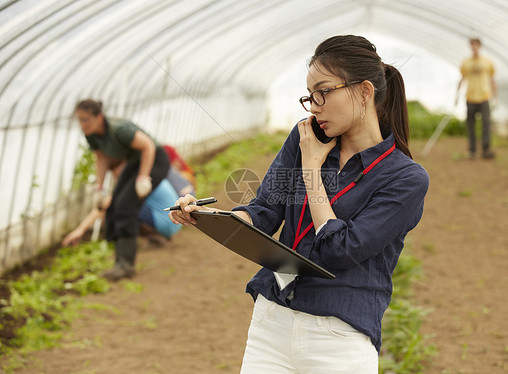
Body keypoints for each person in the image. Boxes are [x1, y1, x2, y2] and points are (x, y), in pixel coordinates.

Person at [170, 35, 429, 372]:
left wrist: (311, 169)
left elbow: (341, 249)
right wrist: (209, 217)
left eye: (323, 91)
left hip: (339, 336)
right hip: (272, 323)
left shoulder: (404, 178)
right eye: (309, 96)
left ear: (365, 91)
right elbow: (264, 211)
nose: (314, 105)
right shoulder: (304, 136)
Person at [75, 99, 170, 281]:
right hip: (134, 162)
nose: (82, 124)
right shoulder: (92, 135)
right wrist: (100, 187)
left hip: (154, 160)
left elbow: (148, 146)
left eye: (85, 119)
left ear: (99, 117)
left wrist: (143, 177)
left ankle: (126, 266)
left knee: (127, 207)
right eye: (79, 120)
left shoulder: (119, 129)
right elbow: (101, 158)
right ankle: (119, 262)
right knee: (114, 206)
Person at [62, 166, 193, 247]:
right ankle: (155, 236)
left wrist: (80, 229)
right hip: (175, 222)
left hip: (168, 222)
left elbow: (106, 205)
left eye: (114, 171)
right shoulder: (145, 175)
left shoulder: (135, 180)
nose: (114, 175)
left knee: (121, 207)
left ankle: (138, 240)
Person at [455, 37, 497, 159]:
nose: (474, 48)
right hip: (470, 97)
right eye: (472, 46)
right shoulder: (466, 63)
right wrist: (457, 96)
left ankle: (486, 150)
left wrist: (495, 96)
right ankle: (472, 151)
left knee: (486, 124)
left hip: (484, 97)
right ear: (470, 47)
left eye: (476, 45)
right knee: (471, 125)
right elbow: (462, 78)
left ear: (480, 46)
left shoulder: (487, 62)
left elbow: (492, 79)